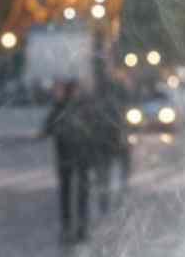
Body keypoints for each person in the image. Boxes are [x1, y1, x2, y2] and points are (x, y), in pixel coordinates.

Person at [41, 80, 93, 242]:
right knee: (82, 193)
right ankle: (81, 228)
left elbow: (47, 129)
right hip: (82, 156)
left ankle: (67, 227)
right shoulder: (85, 107)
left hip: (64, 156)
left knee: (66, 193)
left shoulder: (59, 107)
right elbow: (95, 129)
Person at [92, 74, 132, 214]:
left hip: (109, 142)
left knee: (105, 174)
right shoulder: (115, 104)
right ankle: (116, 199)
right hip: (112, 142)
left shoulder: (101, 103)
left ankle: (107, 200)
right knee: (115, 172)